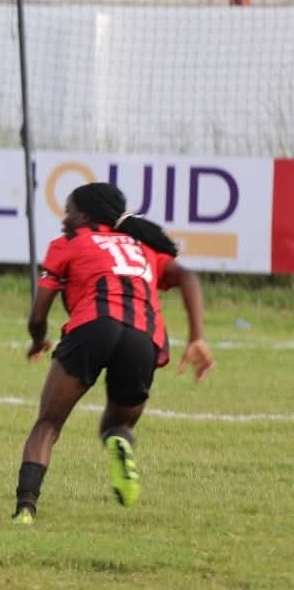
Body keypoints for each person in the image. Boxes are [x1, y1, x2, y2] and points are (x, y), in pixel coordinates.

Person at [11, 181, 214, 524]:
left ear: (84, 216)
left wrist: (37, 340)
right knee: (118, 423)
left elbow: (37, 315)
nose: (64, 219)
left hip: (93, 327)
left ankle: (25, 509)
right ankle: (119, 442)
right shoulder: (142, 245)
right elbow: (188, 276)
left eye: (69, 212)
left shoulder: (67, 244)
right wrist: (197, 337)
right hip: (143, 337)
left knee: (48, 423)